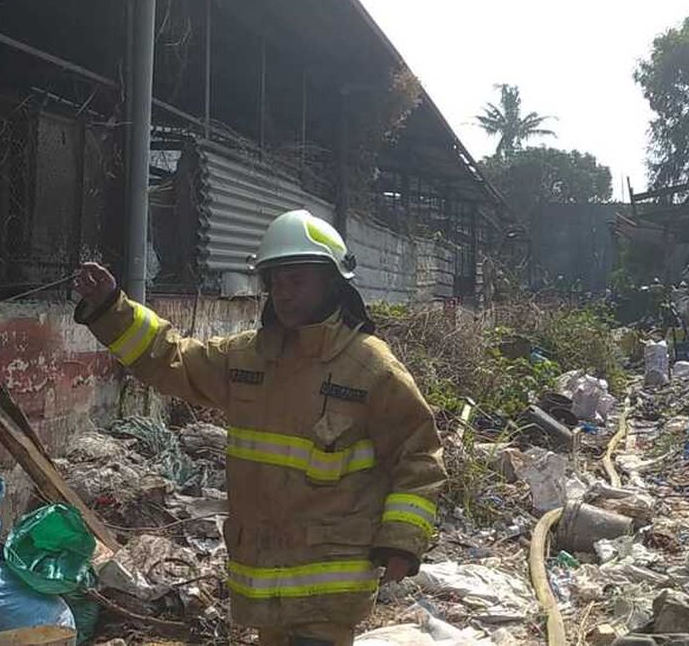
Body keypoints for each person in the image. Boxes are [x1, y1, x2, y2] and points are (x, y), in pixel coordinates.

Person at [74, 209, 446, 646]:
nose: (284, 294)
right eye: (277, 282)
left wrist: (401, 541)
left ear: (332, 282)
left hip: (331, 584)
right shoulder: (248, 359)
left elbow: (418, 456)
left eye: (297, 281)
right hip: (263, 579)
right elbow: (171, 358)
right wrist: (111, 309)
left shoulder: (372, 368)